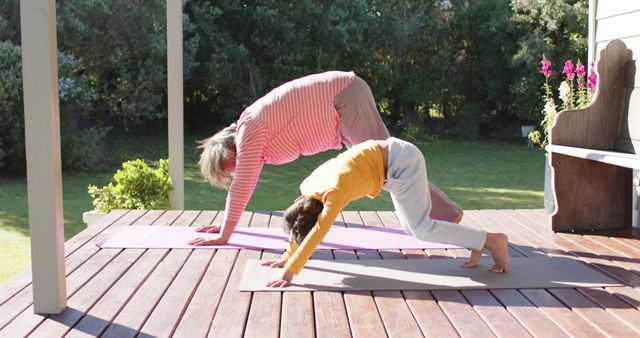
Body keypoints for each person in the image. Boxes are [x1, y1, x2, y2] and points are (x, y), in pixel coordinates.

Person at [190, 71, 463, 246]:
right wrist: (227, 225)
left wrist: (225, 235)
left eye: (230, 168)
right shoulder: (255, 137)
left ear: (229, 150)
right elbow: (244, 186)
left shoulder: (247, 132)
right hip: (344, 102)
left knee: (389, 169)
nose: (236, 172)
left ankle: (443, 215)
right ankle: (441, 214)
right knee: (388, 170)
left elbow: (242, 188)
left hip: (345, 98)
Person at [260, 137, 510, 287]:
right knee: (413, 228)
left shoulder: (333, 194)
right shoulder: (307, 190)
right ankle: (478, 240)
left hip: (402, 162)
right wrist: (287, 254)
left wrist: (289, 272)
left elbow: (317, 231)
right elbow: (301, 225)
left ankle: (492, 240)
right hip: (393, 164)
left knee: (421, 228)